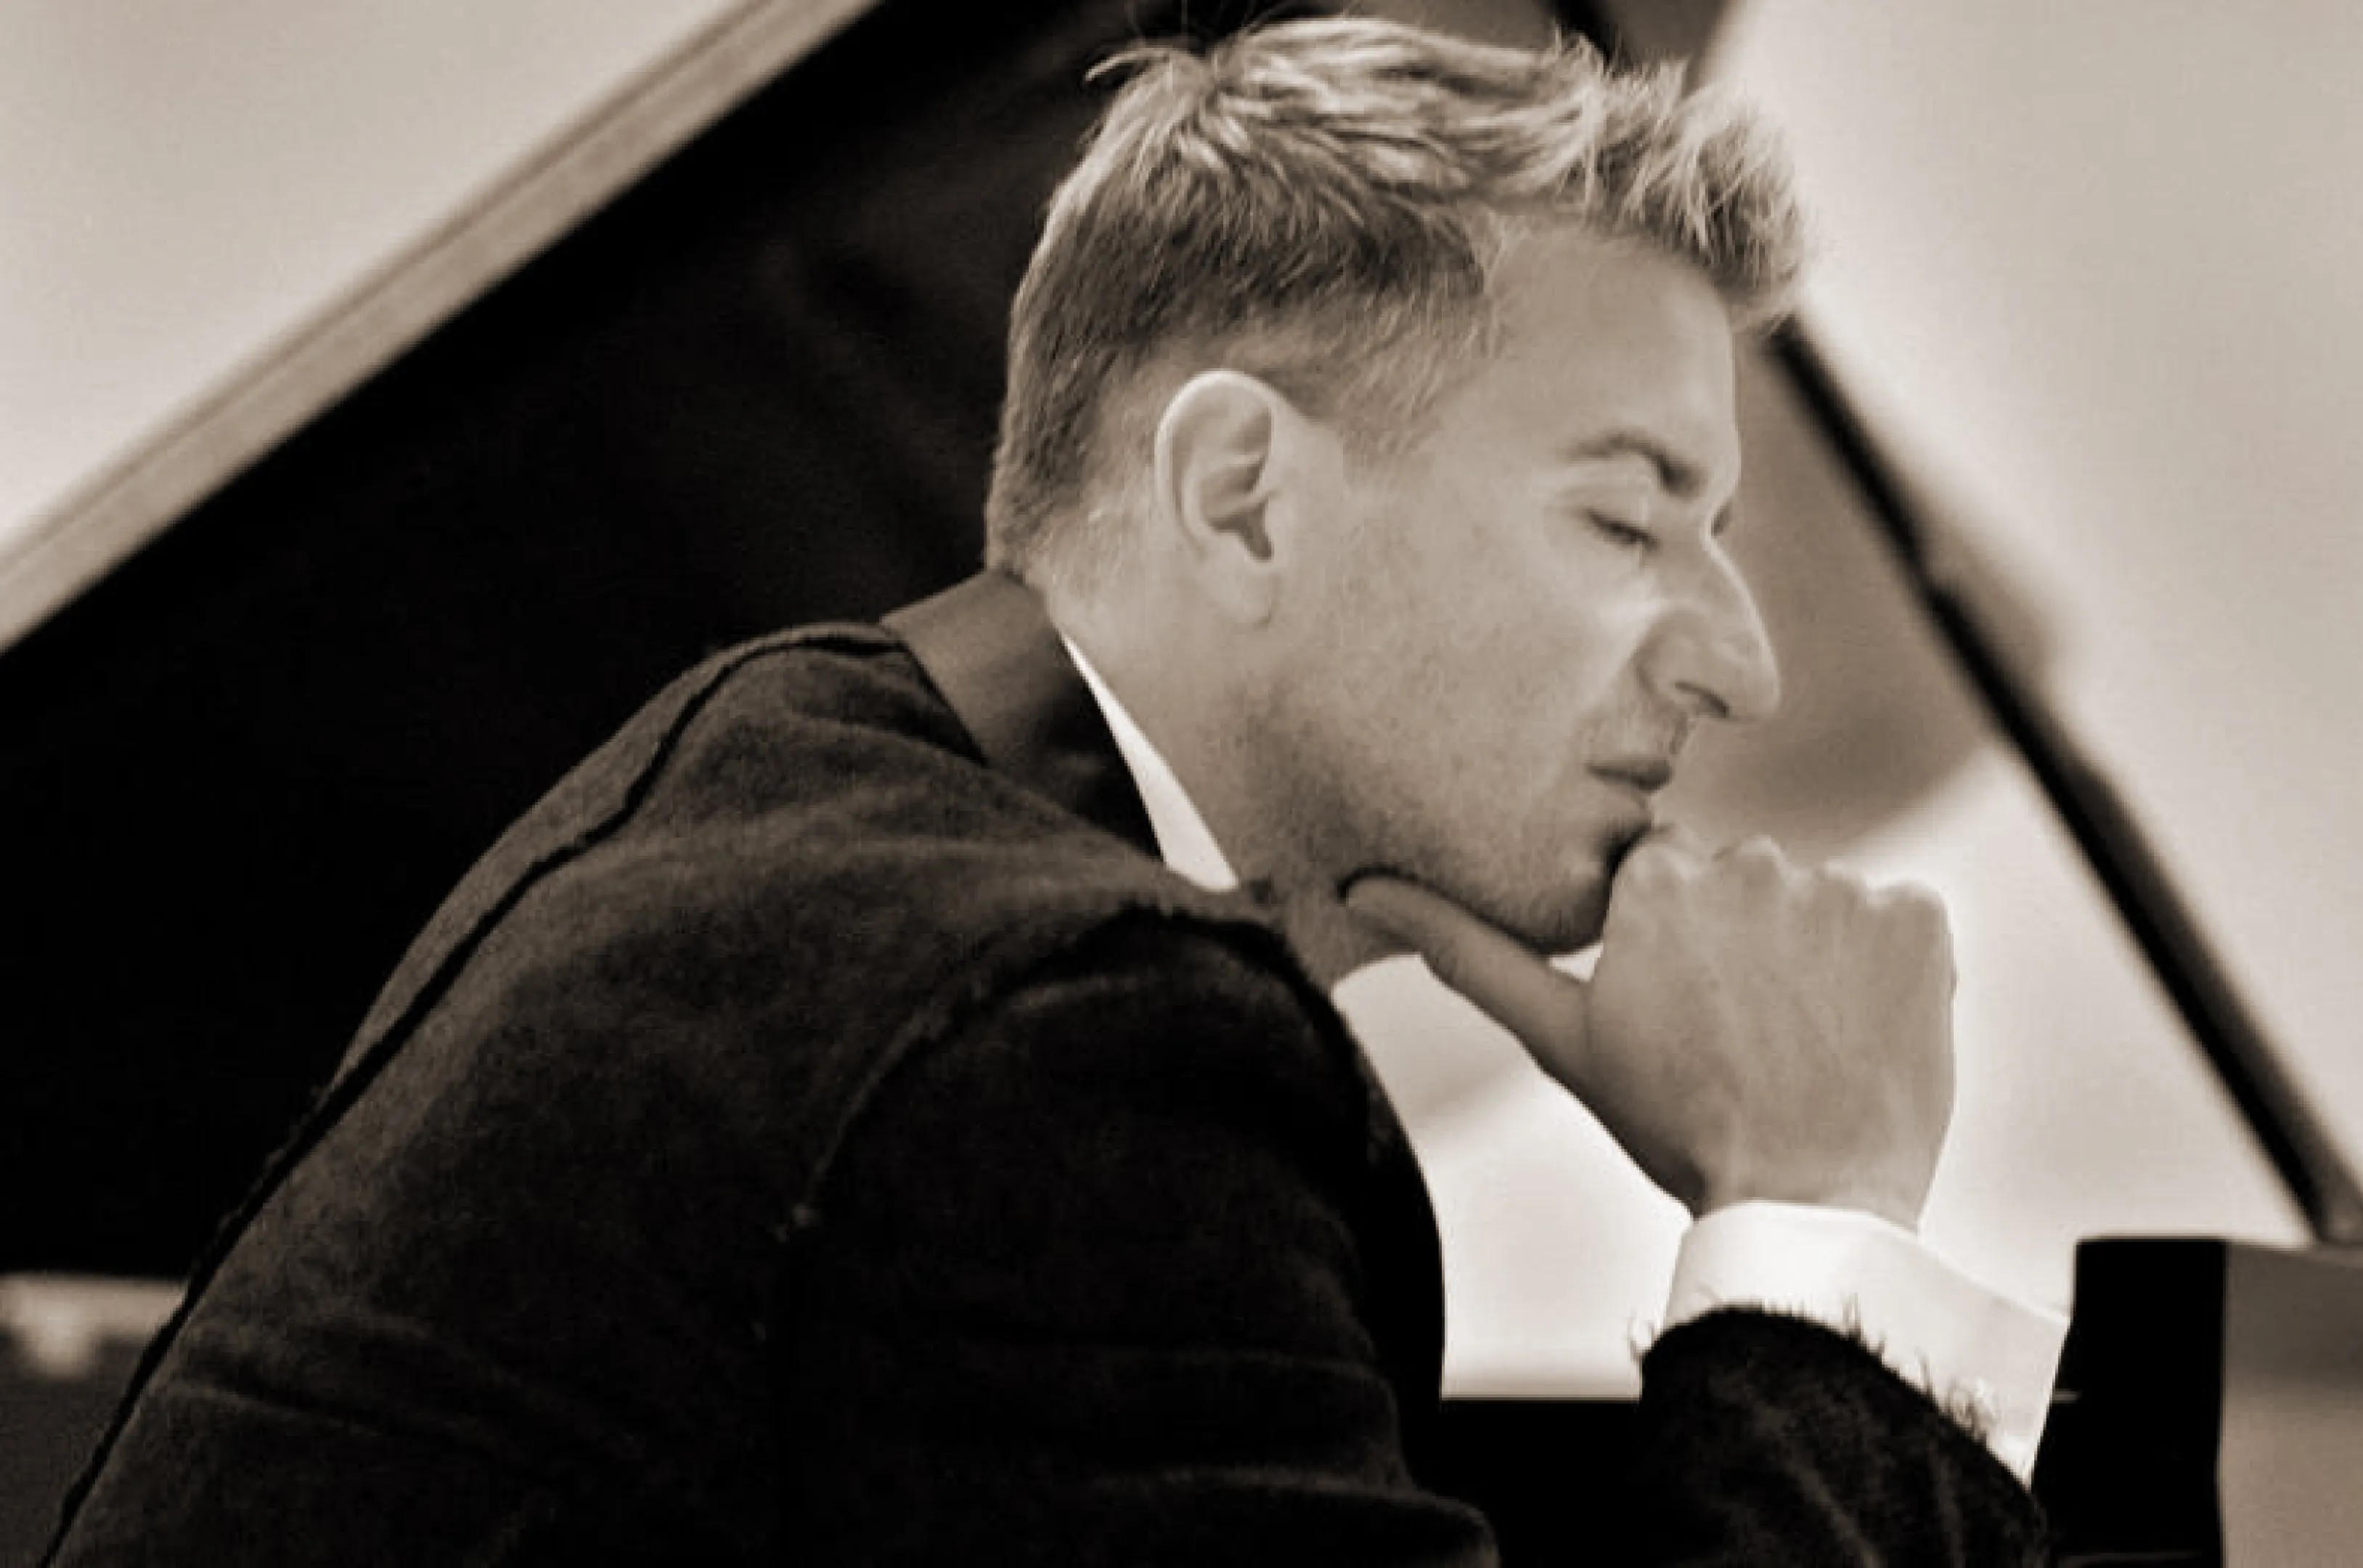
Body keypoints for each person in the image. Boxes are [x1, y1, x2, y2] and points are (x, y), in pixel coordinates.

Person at [48, 17, 2063, 1564]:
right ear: (1242, 496)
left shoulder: (803, 765)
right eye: (1627, 520)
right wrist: (1814, 1212)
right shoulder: (1053, 1046)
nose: (1745, 662)